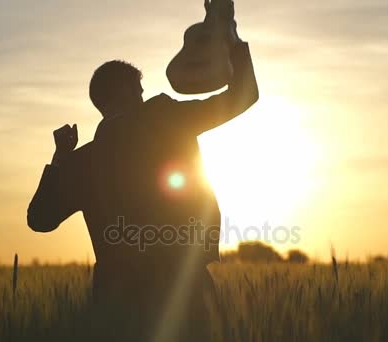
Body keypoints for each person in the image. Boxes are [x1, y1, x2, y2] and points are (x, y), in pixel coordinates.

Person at [27, 19, 258, 341]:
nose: (142, 96)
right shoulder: (165, 117)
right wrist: (230, 37)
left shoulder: (84, 160)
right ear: (128, 91)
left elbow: (40, 219)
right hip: (185, 292)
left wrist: (61, 157)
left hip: (116, 304)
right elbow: (244, 96)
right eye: (139, 90)